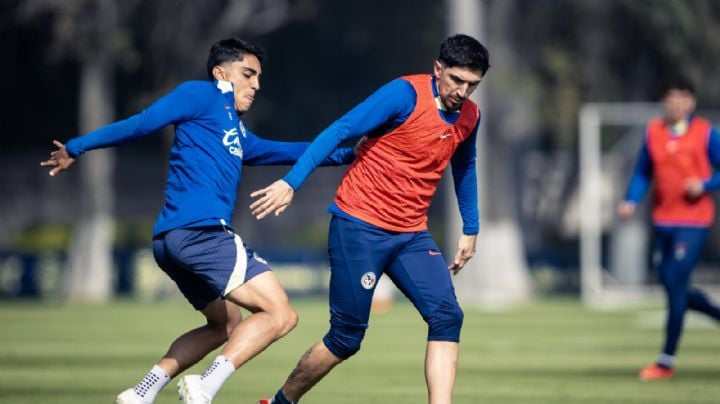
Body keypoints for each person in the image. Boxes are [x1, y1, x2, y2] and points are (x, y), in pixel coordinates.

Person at [40, 38, 355, 403]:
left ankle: (141, 393)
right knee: (281, 314)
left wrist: (349, 153)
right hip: (202, 234)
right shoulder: (201, 95)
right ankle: (205, 386)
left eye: (259, 78)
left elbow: (287, 151)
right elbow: (141, 124)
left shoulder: (236, 131)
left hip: (171, 242)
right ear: (221, 74)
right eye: (248, 75)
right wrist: (77, 147)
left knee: (224, 325)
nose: (256, 85)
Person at [251, 34, 489, 404]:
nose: (463, 91)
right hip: (358, 226)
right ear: (438, 68)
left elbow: (465, 167)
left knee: (447, 317)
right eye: (457, 80)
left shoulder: (470, 116)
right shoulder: (404, 95)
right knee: (346, 338)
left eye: (472, 84)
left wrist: (471, 228)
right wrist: (291, 182)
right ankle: (281, 402)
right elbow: (341, 130)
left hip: (411, 235)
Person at [618, 76, 720, 381]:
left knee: (676, 281)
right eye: (671, 97)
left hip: (694, 222)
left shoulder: (705, 134)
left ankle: (665, 360)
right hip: (662, 222)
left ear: (691, 102)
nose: (677, 103)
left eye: (683, 97)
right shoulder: (654, 132)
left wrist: (704, 184)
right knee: (675, 288)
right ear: (665, 101)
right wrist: (631, 200)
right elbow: (642, 173)